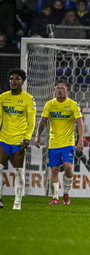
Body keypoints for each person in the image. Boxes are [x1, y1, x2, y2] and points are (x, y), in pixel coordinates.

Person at [35, 79, 84, 205]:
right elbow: (43, 121)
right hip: (54, 142)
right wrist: (37, 135)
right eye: (58, 88)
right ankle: (55, 197)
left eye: (63, 88)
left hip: (68, 141)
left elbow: (80, 122)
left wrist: (80, 140)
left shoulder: (73, 104)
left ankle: (66, 194)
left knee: (68, 167)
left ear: (67, 90)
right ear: (54, 90)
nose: (60, 90)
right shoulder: (49, 104)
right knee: (55, 170)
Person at [0, 68, 37, 210]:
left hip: (19, 141)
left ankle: (17, 202)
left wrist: (27, 137)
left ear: (22, 82)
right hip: (4, 139)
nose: (13, 81)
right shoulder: (3, 97)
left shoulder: (28, 99)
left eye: (16, 79)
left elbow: (32, 121)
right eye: (11, 79)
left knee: (18, 171)